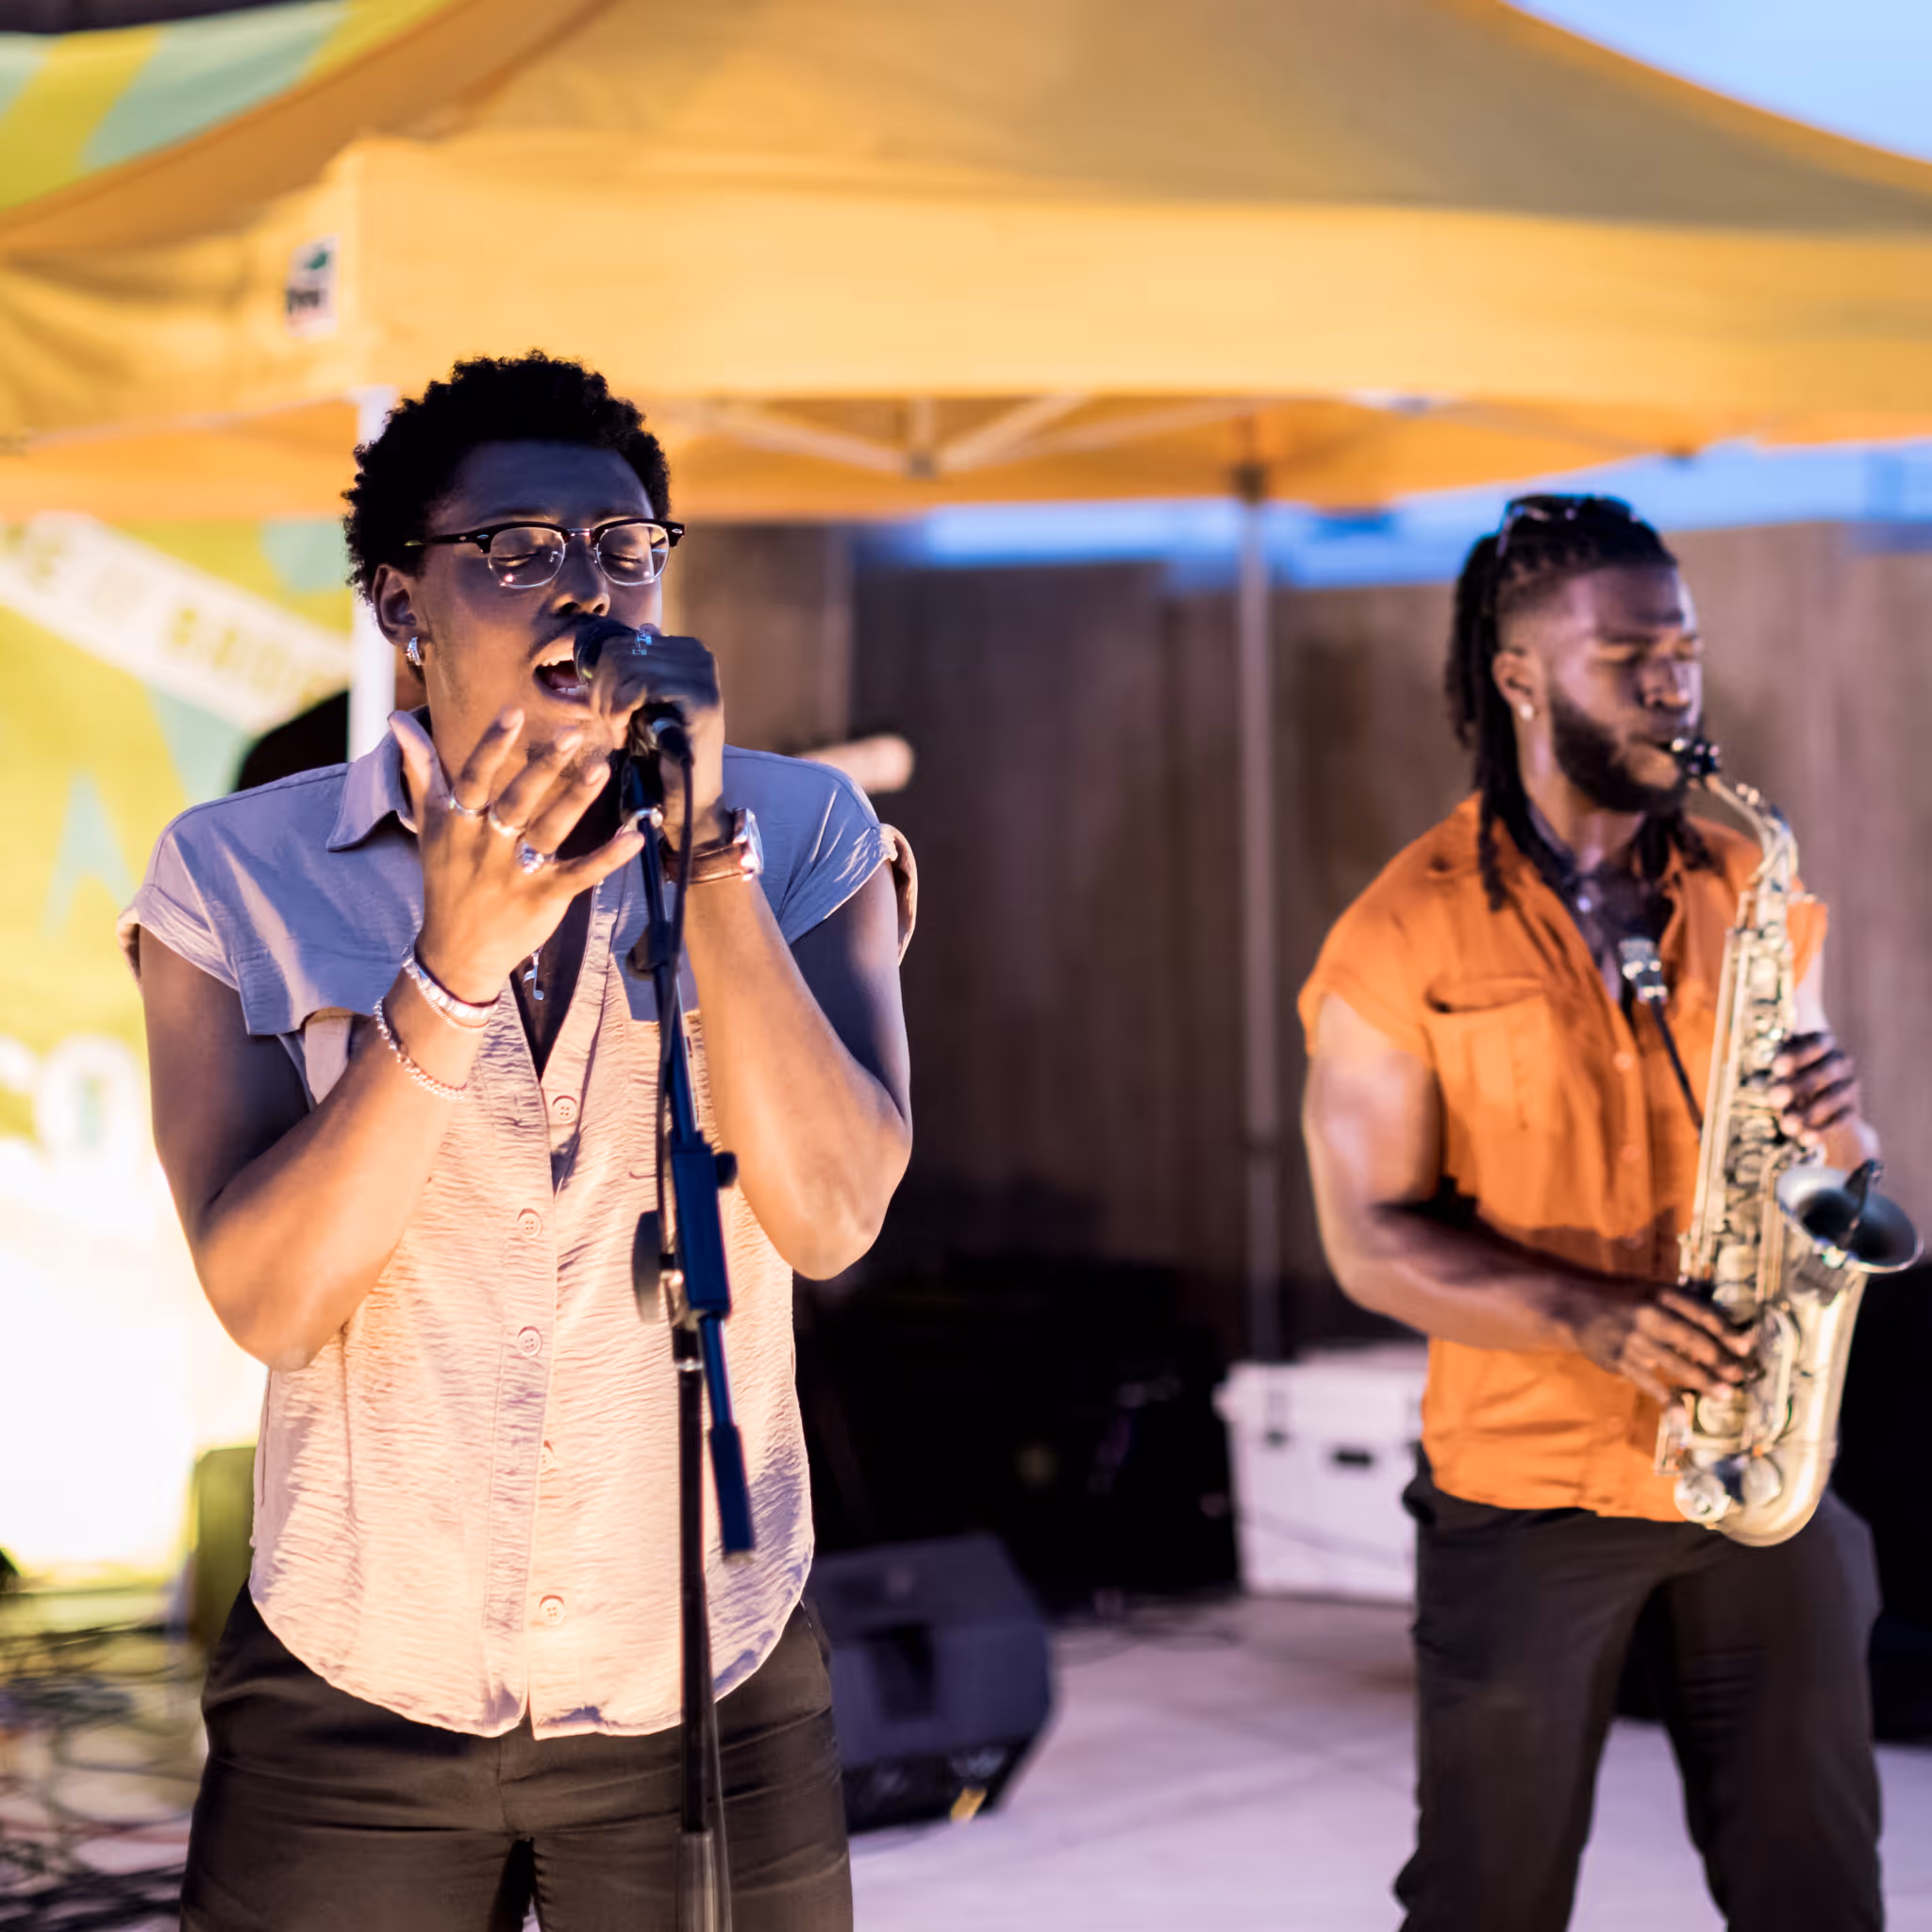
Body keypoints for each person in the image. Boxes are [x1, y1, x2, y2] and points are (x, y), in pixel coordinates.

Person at [123, 353, 913, 1930]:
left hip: (702, 1678)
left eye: (624, 549)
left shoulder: (801, 831)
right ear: (401, 602)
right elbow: (272, 1303)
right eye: (520, 550)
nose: (586, 589)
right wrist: (448, 973)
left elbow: (828, 1217)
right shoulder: (239, 876)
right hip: (357, 1676)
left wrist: (707, 866)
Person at [1299, 494, 1885, 1932]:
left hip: (1760, 1465)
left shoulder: (1747, 879)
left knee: (1819, 1885)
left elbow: (1831, 1176)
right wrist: (1594, 1319)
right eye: (1627, 655)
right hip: (1531, 1487)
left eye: (1681, 649)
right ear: (1519, 678)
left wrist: (1840, 1128)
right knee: (1489, 1900)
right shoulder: (1401, 932)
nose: (1672, 684)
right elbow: (1369, 1236)